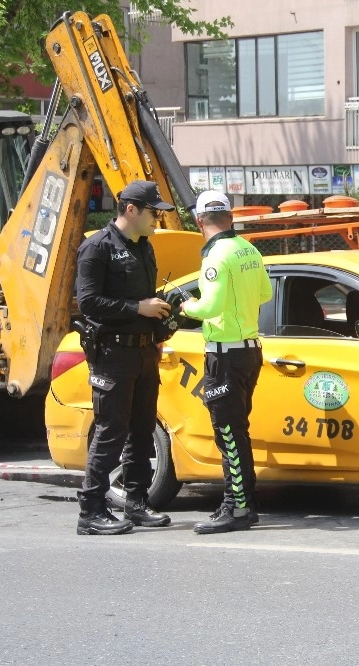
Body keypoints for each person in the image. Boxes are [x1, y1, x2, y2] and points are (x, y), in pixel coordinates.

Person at [75, 179, 175, 535]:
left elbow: (147, 301)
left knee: (141, 430)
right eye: (153, 212)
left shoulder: (144, 246)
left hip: (144, 351)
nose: (157, 220)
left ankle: (136, 503)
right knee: (110, 431)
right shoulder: (96, 248)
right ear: (131, 209)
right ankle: (91, 509)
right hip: (112, 353)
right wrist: (138, 307)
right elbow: (87, 303)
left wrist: (159, 318)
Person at [180, 190, 273, 534]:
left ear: (200, 220)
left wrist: (187, 306)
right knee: (237, 431)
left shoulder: (216, 256)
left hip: (225, 354)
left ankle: (237, 509)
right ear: (230, 217)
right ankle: (242, 505)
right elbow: (266, 293)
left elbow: (209, 308)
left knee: (228, 435)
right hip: (249, 351)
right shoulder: (248, 249)